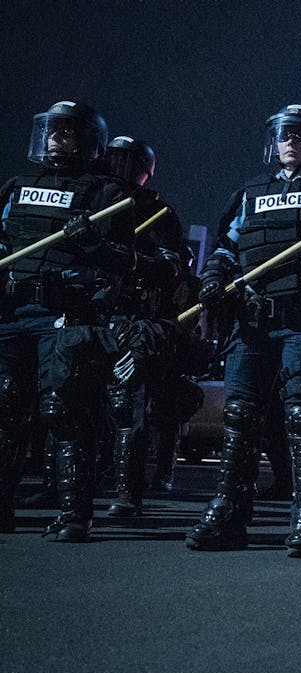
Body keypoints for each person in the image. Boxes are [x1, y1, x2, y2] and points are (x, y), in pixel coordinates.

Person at [185, 104, 301, 556]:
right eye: (285, 136)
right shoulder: (251, 193)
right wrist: (211, 279)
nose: (291, 143)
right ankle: (229, 509)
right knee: (240, 417)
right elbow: (227, 247)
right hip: (253, 323)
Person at [0, 101, 135, 539]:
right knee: (5, 408)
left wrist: (93, 243)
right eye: (53, 131)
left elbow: (125, 264)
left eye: (69, 132)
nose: (58, 139)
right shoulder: (17, 187)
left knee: (64, 411)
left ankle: (75, 513)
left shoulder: (107, 195)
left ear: (89, 141)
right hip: (14, 312)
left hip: (66, 315)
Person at [102, 135, 197, 517]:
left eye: (127, 161)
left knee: (141, 403)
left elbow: (173, 264)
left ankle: (136, 486)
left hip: (144, 319)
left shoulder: (157, 211)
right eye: (114, 159)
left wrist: (133, 259)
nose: (119, 167)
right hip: (95, 314)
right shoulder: (93, 198)